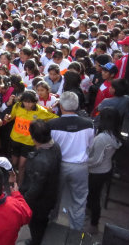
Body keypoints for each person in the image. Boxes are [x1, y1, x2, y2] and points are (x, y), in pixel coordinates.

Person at [48, 92, 94, 231]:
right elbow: (90, 146)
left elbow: (50, 146)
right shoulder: (88, 124)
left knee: (53, 197)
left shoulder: (52, 124)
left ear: (60, 106)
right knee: (79, 201)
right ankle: (75, 231)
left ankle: (50, 225)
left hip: (59, 166)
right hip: (80, 167)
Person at [19, 120, 62, 245]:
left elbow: (35, 189)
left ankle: (36, 241)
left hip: (40, 202)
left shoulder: (41, 161)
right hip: (51, 194)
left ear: (33, 137)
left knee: (36, 225)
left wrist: (23, 201)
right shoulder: (55, 146)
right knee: (42, 222)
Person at [3, 90, 57, 186]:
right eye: (26, 101)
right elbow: (12, 116)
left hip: (29, 143)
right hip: (15, 139)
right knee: (14, 163)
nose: (28, 104)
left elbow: (55, 118)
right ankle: (13, 177)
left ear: (35, 101)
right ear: (22, 101)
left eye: (31, 102)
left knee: (22, 165)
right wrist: (8, 117)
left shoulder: (41, 111)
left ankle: (18, 186)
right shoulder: (17, 106)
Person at [86, 107, 123, 234]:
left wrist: (83, 161)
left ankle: (93, 223)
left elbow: (96, 160)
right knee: (95, 195)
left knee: (94, 197)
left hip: (96, 172)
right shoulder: (114, 135)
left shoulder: (102, 138)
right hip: (105, 170)